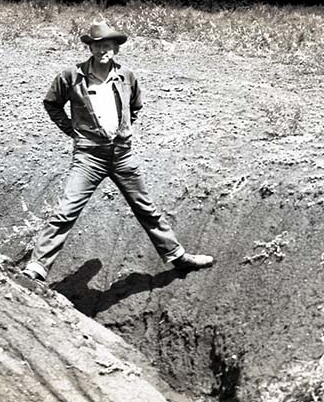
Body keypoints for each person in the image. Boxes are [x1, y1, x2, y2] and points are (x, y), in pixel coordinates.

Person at [22, 18, 213, 281]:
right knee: (66, 210)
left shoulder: (126, 76)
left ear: (116, 48)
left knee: (146, 208)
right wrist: (73, 131)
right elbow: (51, 103)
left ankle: (178, 257)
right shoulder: (71, 76)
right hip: (89, 157)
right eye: (98, 46)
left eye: (108, 46)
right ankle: (37, 267)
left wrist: (123, 130)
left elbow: (135, 106)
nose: (103, 50)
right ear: (90, 48)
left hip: (122, 155)